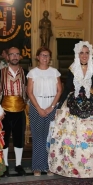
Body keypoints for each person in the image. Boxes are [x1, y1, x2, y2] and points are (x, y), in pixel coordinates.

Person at [48, 41, 93, 178]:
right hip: (74, 100)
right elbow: (67, 88)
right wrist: (59, 106)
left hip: (91, 99)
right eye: (82, 52)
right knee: (69, 132)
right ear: (77, 54)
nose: (84, 55)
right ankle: (70, 166)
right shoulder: (72, 69)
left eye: (87, 53)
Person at [27, 46, 62, 176]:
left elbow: (59, 90)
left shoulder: (55, 72)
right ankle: (37, 166)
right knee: (38, 138)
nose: (45, 58)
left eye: (47, 55)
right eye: (42, 55)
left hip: (52, 107)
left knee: (50, 138)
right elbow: (29, 92)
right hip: (36, 107)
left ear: (50, 58)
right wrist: (39, 108)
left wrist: (51, 107)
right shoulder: (33, 73)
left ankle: (49, 166)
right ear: (38, 57)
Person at [0, 47, 28, 176]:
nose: (15, 56)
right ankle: (4, 165)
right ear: (7, 57)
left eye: (17, 54)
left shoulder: (26, 73)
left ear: (20, 56)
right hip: (4, 111)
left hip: (20, 109)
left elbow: (29, 92)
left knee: (19, 138)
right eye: (12, 54)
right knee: (4, 138)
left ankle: (18, 164)